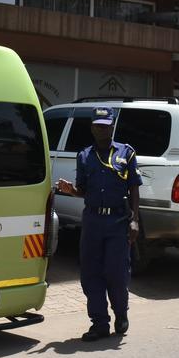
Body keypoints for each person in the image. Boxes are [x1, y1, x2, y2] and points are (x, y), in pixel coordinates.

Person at [55, 107, 141, 342]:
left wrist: (134, 220)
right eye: (97, 125)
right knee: (91, 273)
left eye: (106, 125)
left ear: (112, 126)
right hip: (92, 221)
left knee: (116, 272)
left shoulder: (127, 153)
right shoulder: (84, 156)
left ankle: (121, 313)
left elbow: (134, 187)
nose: (101, 129)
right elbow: (83, 190)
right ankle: (99, 323)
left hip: (117, 221)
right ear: (92, 127)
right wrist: (70, 190)